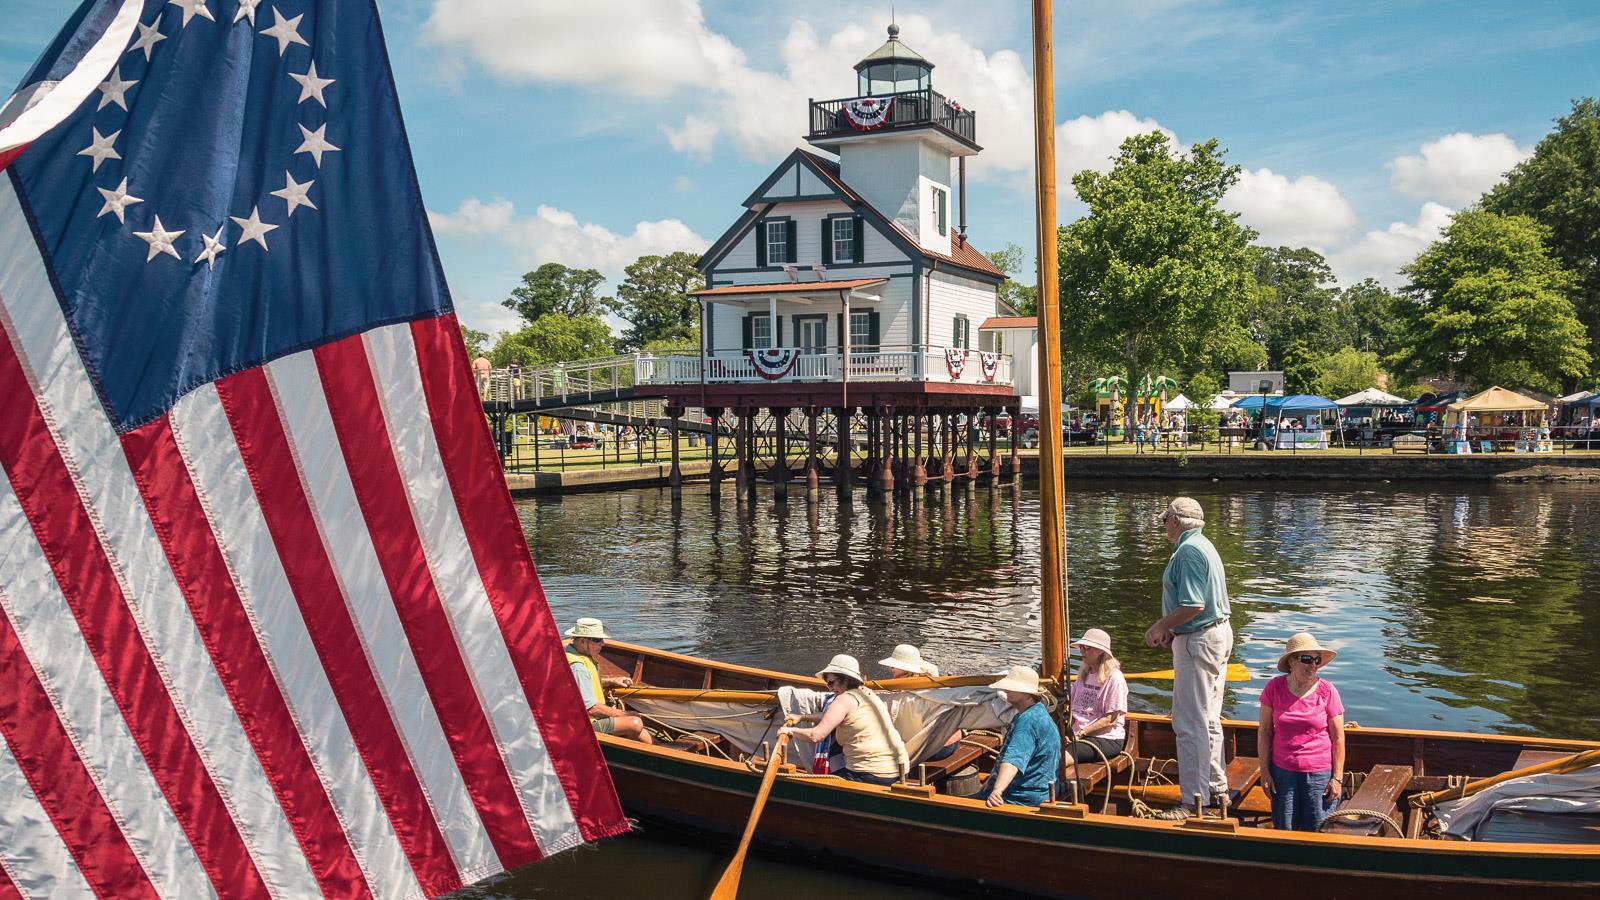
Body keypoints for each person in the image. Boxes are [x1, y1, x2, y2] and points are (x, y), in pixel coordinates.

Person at [1144, 496, 1233, 820]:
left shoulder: (1189, 551)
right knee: (1207, 718)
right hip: (1210, 635)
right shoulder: (1204, 545)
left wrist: (1161, 625)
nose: (1163, 523)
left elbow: (1193, 604)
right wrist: (1174, 628)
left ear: (1177, 520)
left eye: (1165, 517)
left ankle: (1195, 801)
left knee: (1188, 722)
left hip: (1198, 641)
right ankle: (1216, 790)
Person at [1259, 633, 1345, 832]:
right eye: (1306, 659)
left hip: (1318, 774)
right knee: (1284, 828)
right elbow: (1264, 732)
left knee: (1317, 830)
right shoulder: (1274, 687)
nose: (1313, 665)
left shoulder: (1328, 691)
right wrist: (1264, 772)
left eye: (1316, 660)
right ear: (1291, 661)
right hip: (1282, 772)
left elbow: (1338, 737)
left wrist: (1337, 778)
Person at [781, 655, 909, 785]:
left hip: (871, 774)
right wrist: (802, 717)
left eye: (831, 683)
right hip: (901, 770)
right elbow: (830, 717)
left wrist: (789, 731)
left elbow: (816, 735)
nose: (829, 689)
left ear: (845, 680)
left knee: (819, 787)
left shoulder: (843, 700)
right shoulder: (867, 693)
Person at [977, 665, 1061, 807]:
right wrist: (992, 779)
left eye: (1012, 687)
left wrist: (997, 790)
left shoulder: (1027, 721)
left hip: (1020, 797)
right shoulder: (1038, 712)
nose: (1006, 690)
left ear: (1028, 693)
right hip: (1038, 792)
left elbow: (1013, 760)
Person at [565, 618, 653, 744]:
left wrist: (610, 681)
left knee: (635, 720)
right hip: (584, 725)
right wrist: (622, 714)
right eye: (597, 640)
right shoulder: (578, 667)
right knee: (634, 722)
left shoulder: (578, 656)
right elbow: (591, 708)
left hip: (589, 718)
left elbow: (583, 684)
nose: (603, 643)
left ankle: (660, 748)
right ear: (583, 641)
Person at [1063, 629, 1128, 794]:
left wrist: (1081, 733)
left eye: (1087, 647)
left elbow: (1111, 718)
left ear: (1100, 651)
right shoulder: (1083, 674)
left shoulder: (1115, 678)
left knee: (1060, 758)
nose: (1082, 651)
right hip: (1079, 735)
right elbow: (1073, 710)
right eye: (1082, 647)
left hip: (1106, 738)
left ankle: (1057, 793)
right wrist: (1067, 732)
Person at [878, 644, 964, 762]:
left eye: (893, 667)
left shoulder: (897, 698)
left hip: (932, 749)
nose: (891, 670)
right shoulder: (936, 688)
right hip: (950, 743)